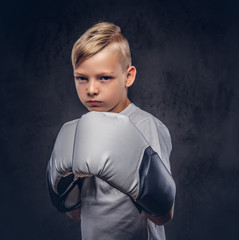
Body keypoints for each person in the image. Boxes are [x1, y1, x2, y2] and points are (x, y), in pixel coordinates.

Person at [47, 22, 176, 240]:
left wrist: (137, 182)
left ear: (128, 76)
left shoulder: (144, 125)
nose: (91, 89)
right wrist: (65, 189)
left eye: (104, 77)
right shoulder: (80, 131)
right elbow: (77, 214)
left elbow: (163, 214)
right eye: (81, 78)